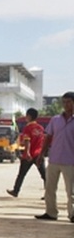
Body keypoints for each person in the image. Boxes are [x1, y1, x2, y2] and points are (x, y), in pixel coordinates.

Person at [35, 92, 74, 221]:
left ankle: (72, 214)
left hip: (71, 161)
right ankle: (51, 212)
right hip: (54, 159)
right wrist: (41, 153)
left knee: (71, 191)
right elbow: (48, 137)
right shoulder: (55, 120)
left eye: (69, 102)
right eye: (64, 102)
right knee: (50, 188)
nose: (66, 105)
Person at [7, 108, 45, 197]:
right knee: (44, 175)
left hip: (29, 155)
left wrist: (27, 152)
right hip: (38, 154)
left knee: (21, 174)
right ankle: (49, 194)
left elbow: (27, 141)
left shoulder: (28, 128)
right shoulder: (40, 128)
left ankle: (15, 191)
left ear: (29, 116)